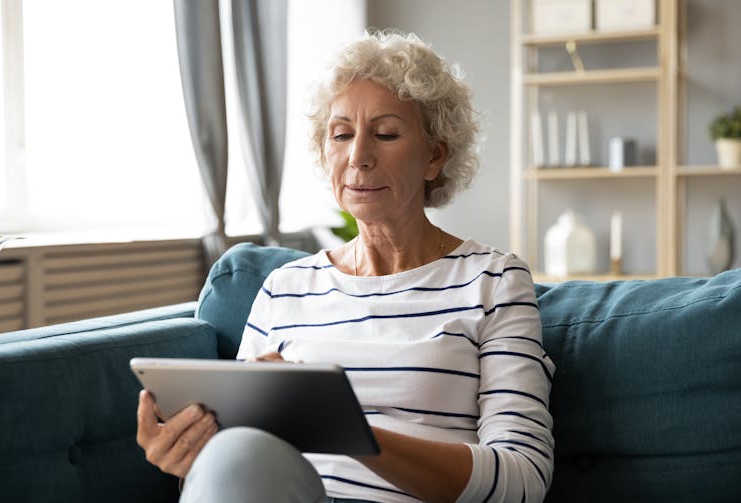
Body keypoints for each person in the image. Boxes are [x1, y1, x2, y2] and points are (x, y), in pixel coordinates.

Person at [137, 30, 554, 503]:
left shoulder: (493, 281)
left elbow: (523, 479)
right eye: (341, 135)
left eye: (386, 134)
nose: (358, 157)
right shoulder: (284, 288)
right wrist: (190, 455)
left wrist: (343, 426)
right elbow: (240, 458)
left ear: (434, 156)